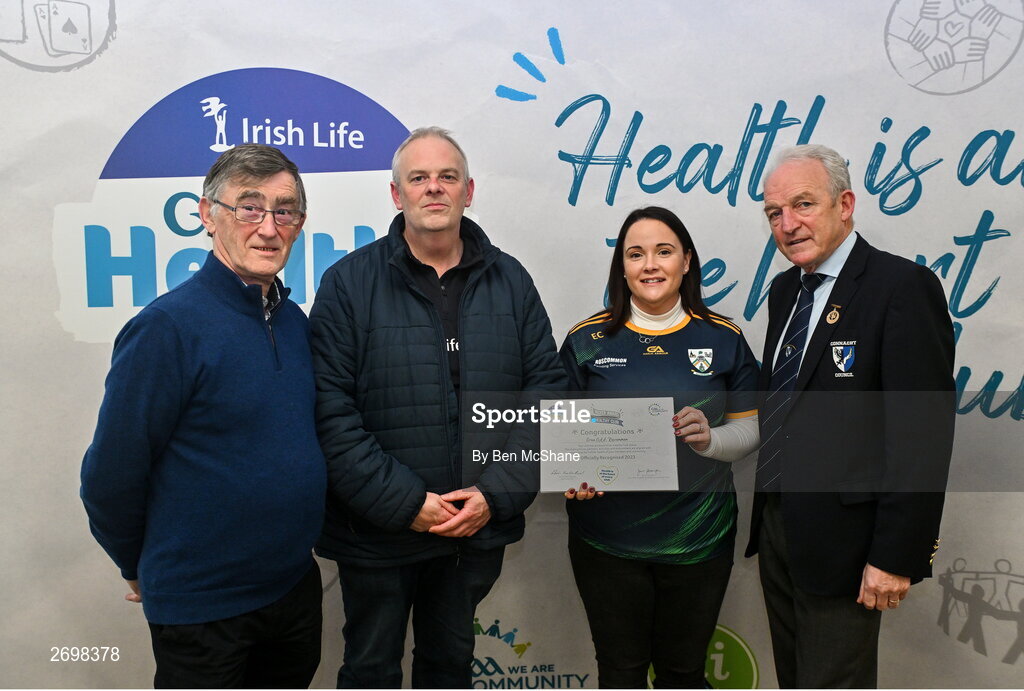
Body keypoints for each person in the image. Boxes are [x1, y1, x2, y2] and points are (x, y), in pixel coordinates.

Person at [309, 126, 565, 688]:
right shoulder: (348, 284)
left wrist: (494, 495)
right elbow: (330, 411)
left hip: (471, 530)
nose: (434, 188)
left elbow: (546, 393)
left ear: (468, 191)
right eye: (418, 178)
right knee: (371, 669)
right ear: (397, 195)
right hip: (376, 534)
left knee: (448, 667)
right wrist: (406, 504)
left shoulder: (512, 281)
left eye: (447, 176)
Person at [80, 144, 327, 688]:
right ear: (207, 215)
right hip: (204, 610)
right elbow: (110, 476)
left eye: (284, 211)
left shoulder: (294, 323)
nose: (268, 227)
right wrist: (138, 566)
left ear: (299, 224)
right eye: (249, 206)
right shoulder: (166, 329)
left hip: (292, 592)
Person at [746, 144, 955, 688]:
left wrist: (896, 555)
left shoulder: (901, 289)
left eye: (803, 205)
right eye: (774, 213)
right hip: (778, 530)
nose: (788, 224)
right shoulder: (784, 290)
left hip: (850, 546)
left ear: (845, 204)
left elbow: (923, 437)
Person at [559, 206, 760, 688]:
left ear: (686, 261)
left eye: (663, 251)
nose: (650, 265)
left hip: (699, 539)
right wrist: (572, 472)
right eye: (636, 254)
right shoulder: (585, 341)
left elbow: (751, 431)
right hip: (606, 543)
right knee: (621, 672)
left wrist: (712, 440)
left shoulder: (724, 337)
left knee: (682, 673)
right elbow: (556, 436)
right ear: (621, 267)